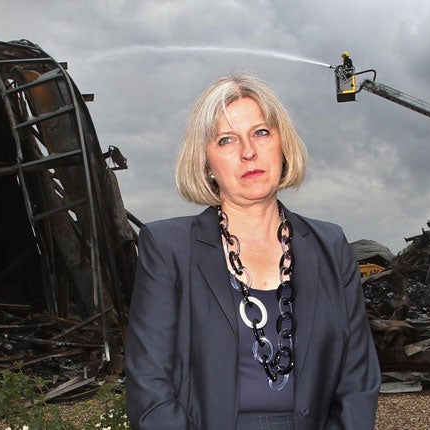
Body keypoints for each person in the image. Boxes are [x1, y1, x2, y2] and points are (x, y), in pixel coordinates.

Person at [124, 73, 381, 429]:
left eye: (261, 132)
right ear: (206, 163)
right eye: (227, 140)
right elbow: (149, 387)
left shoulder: (331, 245)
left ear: (282, 144)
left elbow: (358, 379)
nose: (249, 152)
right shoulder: (167, 248)